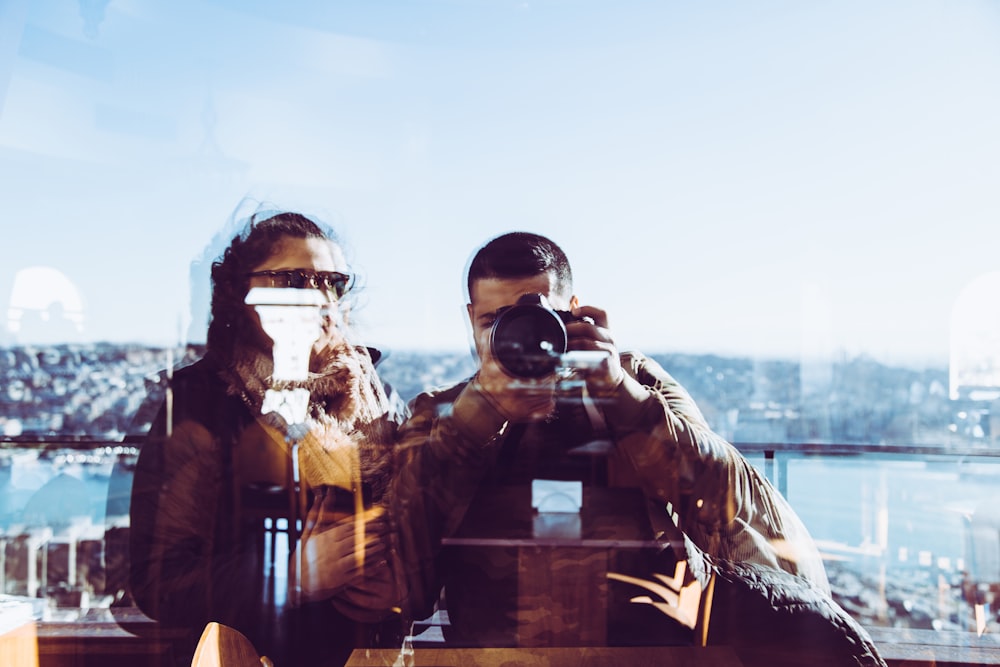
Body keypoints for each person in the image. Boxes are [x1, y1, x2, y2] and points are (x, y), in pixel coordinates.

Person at [391, 231, 833, 649]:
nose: (520, 339)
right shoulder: (441, 412)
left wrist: (619, 393)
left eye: (542, 321)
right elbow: (400, 577)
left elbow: (729, 505)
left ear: (576, 312)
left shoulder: (635, 381)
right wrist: (477, 416)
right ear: (470, 318)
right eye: (496, 322)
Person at [129, 210, 407, 666]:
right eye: (294, 279)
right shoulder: (202, 402)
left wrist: (402, 588)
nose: (317, 296)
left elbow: (424, 536)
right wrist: (290, 578)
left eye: (333, 282)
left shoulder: (378, 399)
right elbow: (158, 580)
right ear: (243, 295)